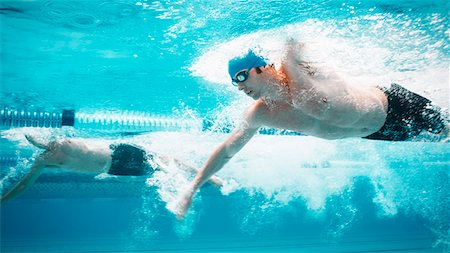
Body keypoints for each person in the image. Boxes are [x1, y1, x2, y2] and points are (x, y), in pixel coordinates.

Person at [173, 39, 448, 219]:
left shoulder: (295, 68)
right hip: (379, 132)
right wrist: (192, 188)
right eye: (234, 82)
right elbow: (227, 150)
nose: (239, 85)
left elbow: (294, 40)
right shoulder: (262, 114)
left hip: (396, 105)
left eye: (242, 75)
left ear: (263, 68)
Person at [0, 135, 223, 205]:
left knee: (166, 160)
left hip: (118, 152)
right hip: (115, 168)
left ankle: (209, 177)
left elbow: (41, 141)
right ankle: (199, 182)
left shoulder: (58, 142)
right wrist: (3, 200)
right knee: (161, 170)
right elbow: (24, 184)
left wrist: (38, 142)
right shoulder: (42, 162)